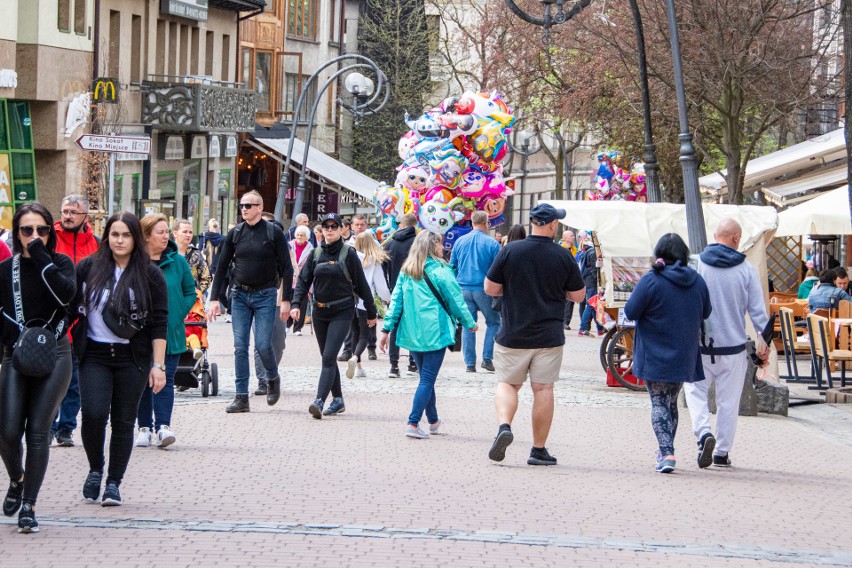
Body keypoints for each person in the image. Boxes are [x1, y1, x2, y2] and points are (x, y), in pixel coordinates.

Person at [75, 212, 168, 507]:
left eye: (125, 235)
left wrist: (158, 365)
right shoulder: (89, 267)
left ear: (135, 239)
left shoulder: (149, 274)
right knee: (92, 414)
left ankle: (113, 482)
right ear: (107, 237)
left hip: (132, 358)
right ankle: (95, 468)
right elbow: (70, 308)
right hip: (95, 355)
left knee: (123, 421)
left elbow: (159, 322)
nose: (119, 240)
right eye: (114, 234)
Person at [484, 204, 585, 466]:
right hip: (549, 334)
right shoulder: (563, 256)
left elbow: (490, 288)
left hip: (513, 331)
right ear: (552, 225)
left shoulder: (510, 250)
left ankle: (504, 426)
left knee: (507, 383)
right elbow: (578, 295)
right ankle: (538, 449)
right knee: (543, 389)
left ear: (531, 223)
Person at [0, 203, 76, 533]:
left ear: (51, 233)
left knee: (38, 431)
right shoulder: (5, 269)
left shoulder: (60, 265)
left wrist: (42, 256)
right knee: (7, 431)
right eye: (27, 231)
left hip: (56, 354)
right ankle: (17, 479)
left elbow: (67, 297)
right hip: (15, 354)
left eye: (42, 230)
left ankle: (30, 503)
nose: (35, 237)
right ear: (16, 234)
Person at [683, 218, 770, 469]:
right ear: (735, 238)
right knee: (728, 401)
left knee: (695, 391)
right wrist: (764, 349)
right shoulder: (746, 270)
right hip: (733, 348)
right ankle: (721, 452)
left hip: (700, 345)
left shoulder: (697, 264)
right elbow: (758, 314)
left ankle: (703, 434)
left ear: (715, 234)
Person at [624, 234, 711, 474]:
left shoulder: (652, 280)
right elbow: (707, 311)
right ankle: (665, 450)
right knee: (671, 402)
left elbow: (631, 311)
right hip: (685, 352)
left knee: (660, 402)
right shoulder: (697, 280)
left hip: (655, 352)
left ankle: (667, 453)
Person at [379, 231, 477, 438]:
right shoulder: (441, 271)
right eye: (440, 244)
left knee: (426, 378)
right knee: (427, 379)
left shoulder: (407, 271)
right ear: (433, 246)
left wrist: (386, 330)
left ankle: (433, 420)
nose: (442, 247)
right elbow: (456, 301)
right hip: (435, 332)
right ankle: (413, 423)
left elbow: (395, 302)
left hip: (411, 333)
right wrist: (470, 323)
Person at [208, 191, 293, 413]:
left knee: (264, 345)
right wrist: (214, 298)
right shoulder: (235, 233)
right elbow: (222, 266)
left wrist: (286, 300)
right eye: (242, 205)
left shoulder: (273, 232)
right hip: (239, 296)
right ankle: (241, 397)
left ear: (259, 207)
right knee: (239, 347)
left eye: (248, 205)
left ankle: (272, 378)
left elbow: (287, 267)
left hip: (266, 295)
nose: (244, 209)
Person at [290, 213, 377, 418]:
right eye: (326, 226)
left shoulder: (349, 253)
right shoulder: (316, 253)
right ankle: (337, 400)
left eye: (334, 226)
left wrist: (371, 313)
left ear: (341, 229)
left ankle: (319, 401)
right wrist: (296, 304)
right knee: (326, 357)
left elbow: (362, 285)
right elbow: (303, 282)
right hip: (320, 312)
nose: (329, 229)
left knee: (329, 357)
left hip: (342, 311)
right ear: (321, 230)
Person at [134, 214, 195, 449]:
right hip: (140, 333)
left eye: (166, 231)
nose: (165, 236)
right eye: (160, 232)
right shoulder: (135, 261)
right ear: (146, 235)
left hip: (171, 330)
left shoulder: (177, 261)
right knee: (142, 381)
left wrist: (178, 313)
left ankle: (163, 427)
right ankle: (144, 427)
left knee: (165, 380)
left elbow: (190, 291)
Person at [50, 195, 99, 448]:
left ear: (85, 217)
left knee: (75, 380)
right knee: (50, 378)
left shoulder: (97, 244)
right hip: (54, 317)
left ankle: (66, 429)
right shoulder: (50, 238)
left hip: (83, 321)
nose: (67, 216)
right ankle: (46, 427)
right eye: (64, 211)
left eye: (73, 212)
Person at [449, 210, 501, 373]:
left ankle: (470, 363)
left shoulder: (460, 242)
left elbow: (452, 266)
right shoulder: (492, 244)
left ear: (472, 223)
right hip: (484, 288)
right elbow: (498, 269)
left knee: (467, 325)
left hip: (463, 288)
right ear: (487, 223)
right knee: (493, 322)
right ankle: (487, 358)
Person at [252, 211, 289, 396]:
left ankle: (271, 373)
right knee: (261, 342)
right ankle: (263, 380)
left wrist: (288, 301)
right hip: (256, 300)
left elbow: (293, 275)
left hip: (277, 302)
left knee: (278, 343)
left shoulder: (283, 250)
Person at [350, 231, 391, 377]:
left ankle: (358, 368)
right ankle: (355, 358)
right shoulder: (373, 261)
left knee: (354, 334)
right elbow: (381, 287)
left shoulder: (350, 258)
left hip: (349, 302)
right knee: (364, 336)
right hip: (364, 303)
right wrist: (388, 299)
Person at [384, 213, 419, 377]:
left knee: (394, 328)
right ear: (414, 225)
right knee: (413, 327)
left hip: (394, 290)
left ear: (401, 225)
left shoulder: (390, 243)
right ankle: (413, 363)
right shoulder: (417, 243)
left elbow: (383, 269)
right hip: (414, 291)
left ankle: (393, 366)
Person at [172, 219, 210, 361]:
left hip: (192, 302)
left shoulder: (195, 254)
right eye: (184, 232)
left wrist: (197, 292)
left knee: (194, 327)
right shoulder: (168, 253)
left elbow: (206, 277)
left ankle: (195, 354)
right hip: (172, 300)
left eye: (190, 232)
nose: (188, 235)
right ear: (175, 233)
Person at [338, 213, 375, 361]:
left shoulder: (373, 244)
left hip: (360, 295)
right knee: (355, 328)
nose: (359, 227)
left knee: (364, 326)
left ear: (366, 226)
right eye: (357, 225)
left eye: (362, 224)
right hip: (352, 294)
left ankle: (370, 349)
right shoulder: (346, 247)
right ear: (351, 226)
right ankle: (350, 353)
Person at [289, 225, 315, 335]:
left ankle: (298, 328)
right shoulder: (289, 246)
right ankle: (288, 324)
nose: (299, 237)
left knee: (303, 303)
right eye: (298, 235)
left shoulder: (311, 249)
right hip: (291, 278)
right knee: (290, 302)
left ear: (307, 237)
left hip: (304, 279)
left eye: (302, 235)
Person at [577, 238, 605, 337]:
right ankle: (583, 328)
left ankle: (600, 328)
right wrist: (597, 280)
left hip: (587, 280)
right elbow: (594, 269)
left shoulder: (585, 252)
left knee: (593, 304)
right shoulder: (593, 252)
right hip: (591, 282)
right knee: (591, 305)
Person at [559, 229, 577, 330]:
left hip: (571, 278)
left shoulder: (575, 249)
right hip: (562, 278)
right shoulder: (560, 249)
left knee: (570, 301)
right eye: (571, 236)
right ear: (565, 238)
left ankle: (566, 321)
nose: (573, 237)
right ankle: (561, 320)